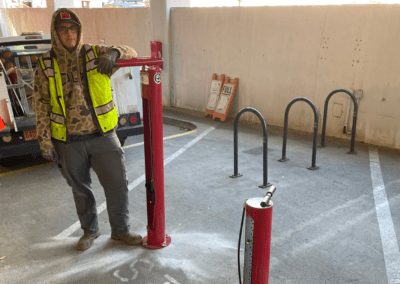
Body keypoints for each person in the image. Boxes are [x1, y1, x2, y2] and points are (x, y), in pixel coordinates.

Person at [33, 8, 142, 251]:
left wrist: (114, 53)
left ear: (79, 30)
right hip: (68, 141)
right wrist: (45, 141)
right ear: (56, 33)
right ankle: (89, 231)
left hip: (103, 135)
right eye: (63, 30)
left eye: (73, 29)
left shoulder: (95, 53)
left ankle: (121, 231)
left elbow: (132, 52)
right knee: (81, 190)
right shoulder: (46, 63)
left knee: (117, 185)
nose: (69, 34)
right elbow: (40, 103)